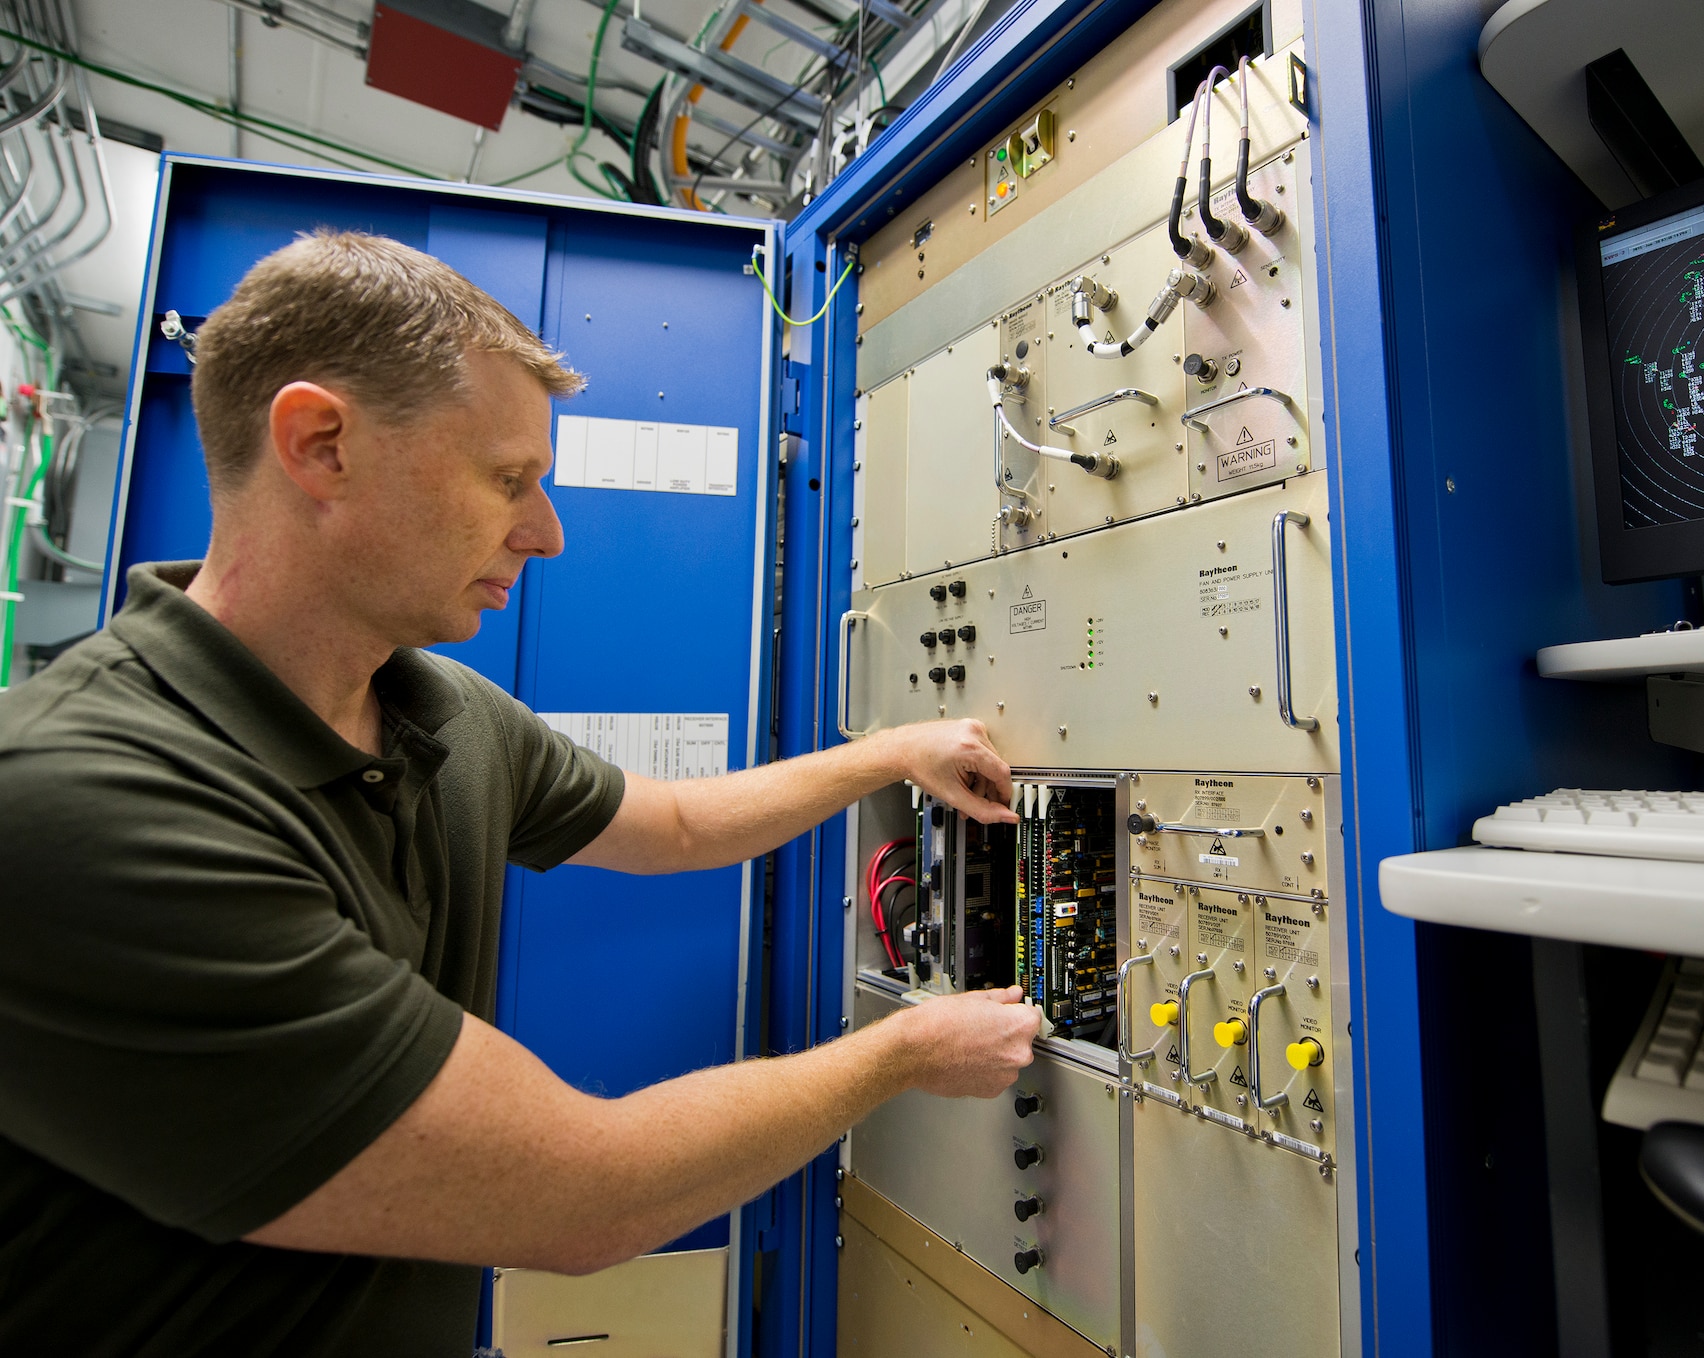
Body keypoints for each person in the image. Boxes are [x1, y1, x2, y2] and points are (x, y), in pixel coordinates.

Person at [0, 230, 1040, 1354]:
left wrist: (890, 753)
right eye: (509, 479)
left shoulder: (441, 709)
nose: (544, 533)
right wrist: (900, 1050)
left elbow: (677, 824)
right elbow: (587, 1194)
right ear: (320, 444)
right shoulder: (83, 801)